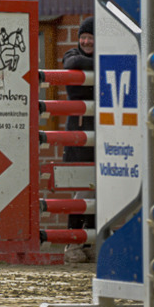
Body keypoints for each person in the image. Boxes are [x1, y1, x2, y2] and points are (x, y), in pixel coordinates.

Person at [61, 17, 95, 263]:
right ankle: (71, 244)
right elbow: (72, 62)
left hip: (103, 133)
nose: (85, 41)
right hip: (79, 134)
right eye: (83, 36)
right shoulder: (72, 55)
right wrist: (101, 63)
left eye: (90, 37)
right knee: (81, 190)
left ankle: (90, 242)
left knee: (98, 190)